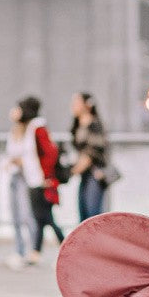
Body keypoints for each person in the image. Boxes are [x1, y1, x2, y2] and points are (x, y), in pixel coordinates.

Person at [15, 96, 64, 262]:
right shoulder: (31, 128)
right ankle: (36, 252)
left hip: (40, 181)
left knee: (45, 217)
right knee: (42, 217)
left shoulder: (38, 128)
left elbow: (50, 153)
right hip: (34, 179)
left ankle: (63, 245)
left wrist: (46, 176)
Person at [1, 104, 35, 270]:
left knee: (26, 215)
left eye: (16, 109)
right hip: (14, 176)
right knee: (14, 214)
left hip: (25, 178)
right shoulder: (13, 131)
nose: (12, 111)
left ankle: (32, 251)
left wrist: (18, 161)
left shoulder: (30, 131)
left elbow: (30, 157)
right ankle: (19, 251)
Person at [70, 92, 109, 221]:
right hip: (84, 175)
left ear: (87, 105)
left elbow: (92, 154)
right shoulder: (78, 125)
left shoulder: (94, 125)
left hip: (95, 175)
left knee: (93, 216)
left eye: (76, 102)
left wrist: (71, 172)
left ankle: (96, 242)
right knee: (83, 214)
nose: (73, 106)